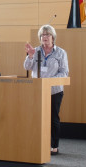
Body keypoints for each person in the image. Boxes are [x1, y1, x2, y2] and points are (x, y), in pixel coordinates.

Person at [24, 24, 69, 155]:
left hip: (54, 91)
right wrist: (30, 56)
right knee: (36, 118)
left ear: (53, 37)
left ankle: (54, 146)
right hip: (36, 91)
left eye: (47, 34)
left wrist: (49, 81)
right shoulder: (36, 50)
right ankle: (37, 144)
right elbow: (27, 67)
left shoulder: (61, 52)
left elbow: (64, 72)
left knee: (53, 118)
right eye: (43, 35)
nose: (45, 37)